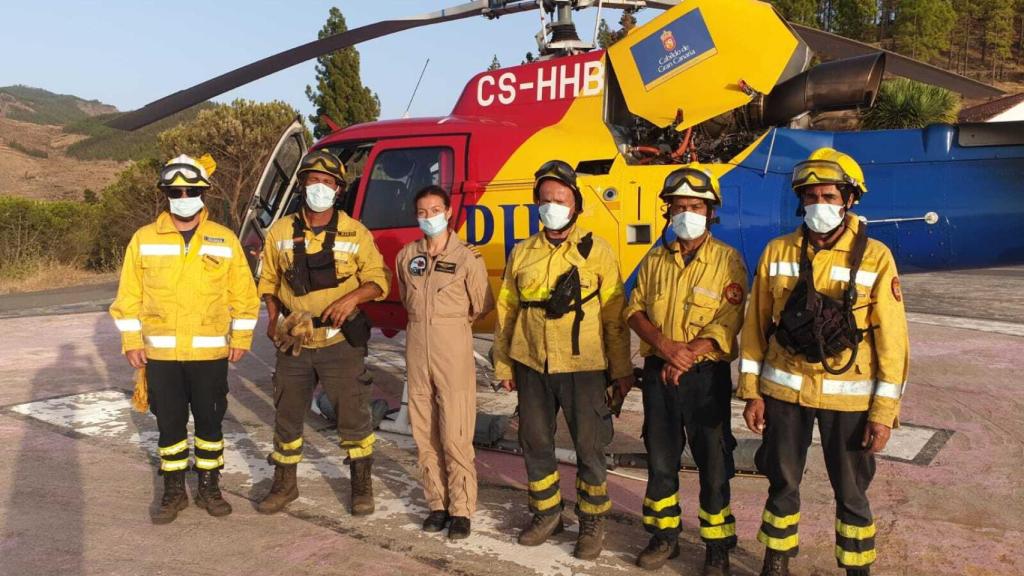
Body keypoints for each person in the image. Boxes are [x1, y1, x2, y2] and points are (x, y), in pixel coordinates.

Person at [738, 148, 909, 576]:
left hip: (849, 401)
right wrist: (751, 393)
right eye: (811, 197)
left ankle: (856, 568)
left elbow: (893, 342)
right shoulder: (777, 251)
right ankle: (775, 561)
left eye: (829, 196)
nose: (820, 206)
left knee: (852, 491)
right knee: (782, 483)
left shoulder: (876, 256)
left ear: (849, 199)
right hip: (784, 392)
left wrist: (883, 414)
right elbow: (755, 328)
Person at [493, 160, 634, 560]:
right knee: (534, 442)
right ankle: (546, 513)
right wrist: (504, 365)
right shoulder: (522, 253)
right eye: (546, 199)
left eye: (561, 198)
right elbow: (507, 313)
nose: (552, 204)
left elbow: (614, 318)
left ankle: (591, 522)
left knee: (590, 448)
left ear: (575, 204)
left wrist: (621, 371)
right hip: (532, 363)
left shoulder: (598, 251)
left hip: (584, 366)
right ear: (537, 203)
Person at [110, 154, 259, 523]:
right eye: (175, 190)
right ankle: (174, 490)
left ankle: (210, 486)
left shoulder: (223, 239)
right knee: (170, 425)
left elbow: (244, 293)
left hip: (210, 354)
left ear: (203, 193)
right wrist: (131, 340)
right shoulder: (144, 239)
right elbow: (128, 295)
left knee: (210, 424)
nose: (183, 196)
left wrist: (241, 335)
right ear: (166, 194)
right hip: (161, 354)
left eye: (190, 189)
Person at [624, 165, 748, 574]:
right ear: (668, 213)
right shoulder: (656, 259)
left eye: (695, 206)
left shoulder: (728, 260)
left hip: (704, 377)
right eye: (679, 207)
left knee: (713, 462)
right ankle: (664, 536)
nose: (687, 214)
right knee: (661, 458)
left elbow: (729, 318)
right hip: (660, 371)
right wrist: (665, 347)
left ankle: (717, 545)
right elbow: (634, 308)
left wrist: (689, 353)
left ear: (710, 211)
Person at [256, 150, 391, 516]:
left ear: (339, 190)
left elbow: (379, 280)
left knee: (353, 413)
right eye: (313, 180)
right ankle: (285, 485)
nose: (319, 187)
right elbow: (267, 281)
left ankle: (361, 486)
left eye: (327, 182)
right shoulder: (281, 232)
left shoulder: (355, 232)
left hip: (338, 342)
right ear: (301, 185)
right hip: (294, 339)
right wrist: (271, 317)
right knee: (286, 413)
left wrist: (352, 299)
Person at [396, 185, 495, 540]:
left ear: (449, 211)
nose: (429, 216)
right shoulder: (407, 256)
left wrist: (452, 324)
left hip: (452, 345)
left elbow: (482, 304)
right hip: (417, 346)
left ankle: (462, 508)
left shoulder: (468, 257)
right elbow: (406, 298)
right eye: (422, 212)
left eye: (435, 209)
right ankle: (436, 503)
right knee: (424, 431)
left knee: (455, 432)